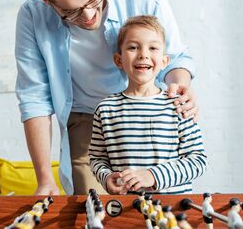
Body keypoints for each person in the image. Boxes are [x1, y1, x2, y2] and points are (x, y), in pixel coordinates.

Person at [15, 0, 198, 195]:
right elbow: (34, 96)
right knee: (94, 209)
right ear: (45, 0)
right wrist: (45, 180)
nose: (89, 17)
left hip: (150, 114)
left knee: (158, 203)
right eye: (72, 12)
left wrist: (179, 88)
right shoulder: (33, 16)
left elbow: (176, 60)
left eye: (93, 0)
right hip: (86, 119)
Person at [88, 15, 207, 195]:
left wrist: (153, 175)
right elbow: (97, 158)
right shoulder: (106, 109)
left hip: (174, 211)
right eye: (133, 47)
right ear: (119, 60)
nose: (143, 54)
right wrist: (106, 177)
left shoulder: (178, 104)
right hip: (126, 210)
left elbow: (198, 160)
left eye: (153, 48)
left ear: (164, 61)